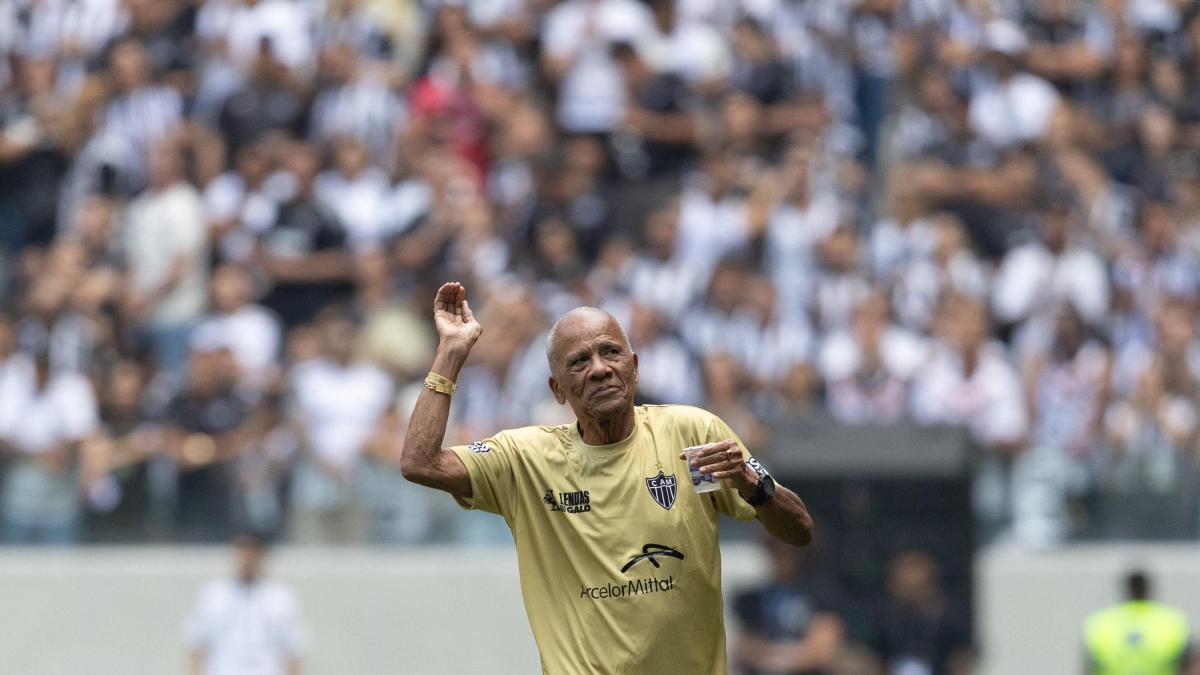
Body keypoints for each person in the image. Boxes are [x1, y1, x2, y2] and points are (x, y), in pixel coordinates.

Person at [401, 282, 814, 674]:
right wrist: (451, 352)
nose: (599, 369)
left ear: (634, 368)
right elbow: (421, 463)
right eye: (579, 362)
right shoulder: (526, 460)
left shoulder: (693, 433)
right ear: (557, 390)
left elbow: (799, 531)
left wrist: (753, 485)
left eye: (610, 353)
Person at [185, 531, 306, 675]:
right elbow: (196, 645)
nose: (247, 559)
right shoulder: (213, 595)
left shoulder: (281, 598)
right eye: (242, 551)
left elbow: (293, 650)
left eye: (253, 552)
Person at [1083, 570, 1195, 675]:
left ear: (1126, 589)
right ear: (1148, 588)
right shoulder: (1173, 622)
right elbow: (1190, 666)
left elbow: (1089, 668)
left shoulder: (1099, 624)